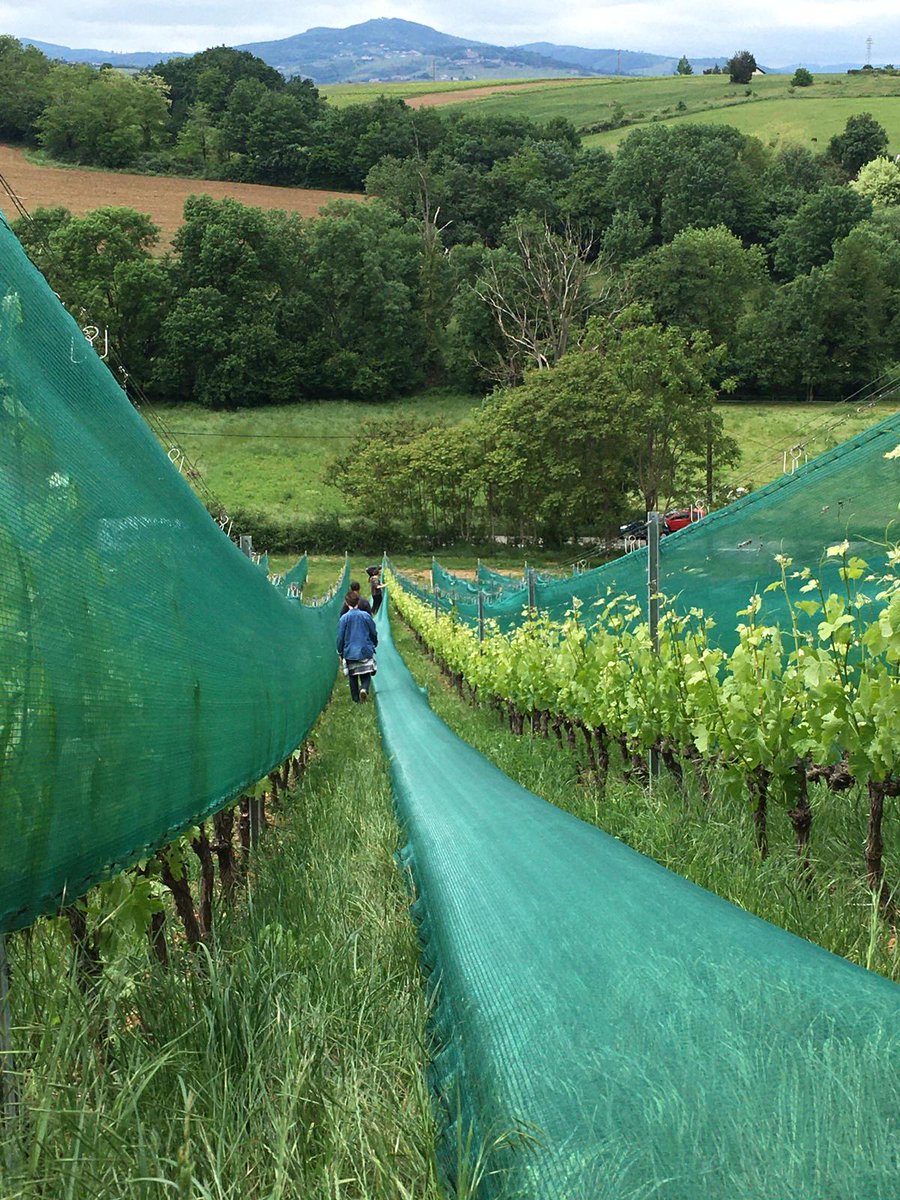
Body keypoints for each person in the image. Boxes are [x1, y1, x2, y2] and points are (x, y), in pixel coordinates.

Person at [337, 592, 377, 703]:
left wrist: (340, 651)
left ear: (346, 603)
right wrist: (374, 643)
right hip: (365, 648)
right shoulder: (366, 616)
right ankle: (364, 688)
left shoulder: (344, 618)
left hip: (350, 651)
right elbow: (373, 632)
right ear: (358, 602)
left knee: (353, 676)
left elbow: (340, 637)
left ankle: (356, 699)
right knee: (366, 673)